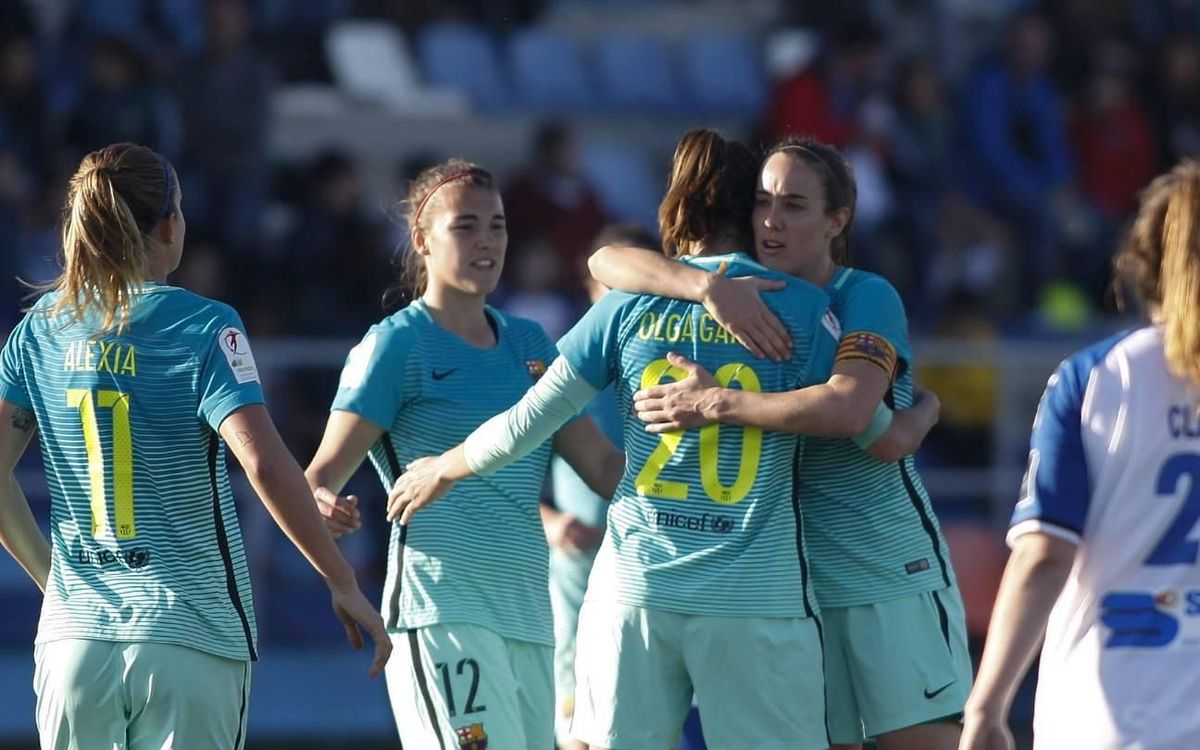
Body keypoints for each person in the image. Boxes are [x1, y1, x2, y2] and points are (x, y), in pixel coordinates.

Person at [387, 129, 931, 750]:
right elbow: (865, 423)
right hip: (755, 598)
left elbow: (527, 421)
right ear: (748, 210)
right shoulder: (807, 309)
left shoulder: (626, 306)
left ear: (675, 207)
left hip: (634, 589)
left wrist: (446, 466)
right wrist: (921, 416)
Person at [0, 143, 389, 750]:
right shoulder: (203, 324)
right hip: (188, 633)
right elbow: (261, 462)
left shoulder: (40, 328)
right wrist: (340, 579)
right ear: (168, 226)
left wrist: (58, 585)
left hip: (74, 642)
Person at [589, 136, 971, 750]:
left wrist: (718, 403)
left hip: (883, 572)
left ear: (836, 220)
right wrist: (706, 288)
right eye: (763, 202)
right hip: (793, 588)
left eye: (794, 206)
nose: (771, 220)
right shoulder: (737, 296)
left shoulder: (863, 296)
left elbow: (855, 414)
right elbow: (605, 261)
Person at [303, 158, 621, 750]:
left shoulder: (531, 343)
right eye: (466, 226)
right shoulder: (396, 344)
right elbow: (318, 477)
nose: (487, 241)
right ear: (422, 239)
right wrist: (325, 504)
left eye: (497, 226)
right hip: (440, 610)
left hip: (531, 618)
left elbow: (603, 467)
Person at [960, 161, 1200, 750]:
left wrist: (987, 704)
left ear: (1142, 262)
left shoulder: (1097, 378)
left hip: (1104, 719)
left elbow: (1045, 553)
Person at [543, 223, 657, 750]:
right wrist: (551, 522)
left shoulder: (684, 363)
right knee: (578, 723)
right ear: (590, 287)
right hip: (579, 564)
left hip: (657, 562)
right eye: (610, 285)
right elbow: (509, 464)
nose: (622, 299)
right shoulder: (563, 366)